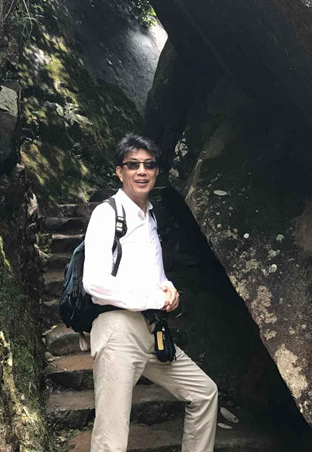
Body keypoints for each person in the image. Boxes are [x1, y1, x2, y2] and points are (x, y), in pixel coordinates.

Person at [82, 133, 219, 452]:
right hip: (117, 329)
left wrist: (167, 289)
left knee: (204, 393)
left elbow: (153, 274)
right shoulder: (107, 213)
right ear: (120, 172)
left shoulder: (150, 217)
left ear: (156, 171)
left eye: (149, 164)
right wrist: (154, 299)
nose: (141, 171)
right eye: (133, 165)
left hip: (152, 329)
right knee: (111, 438)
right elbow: (95, 283)